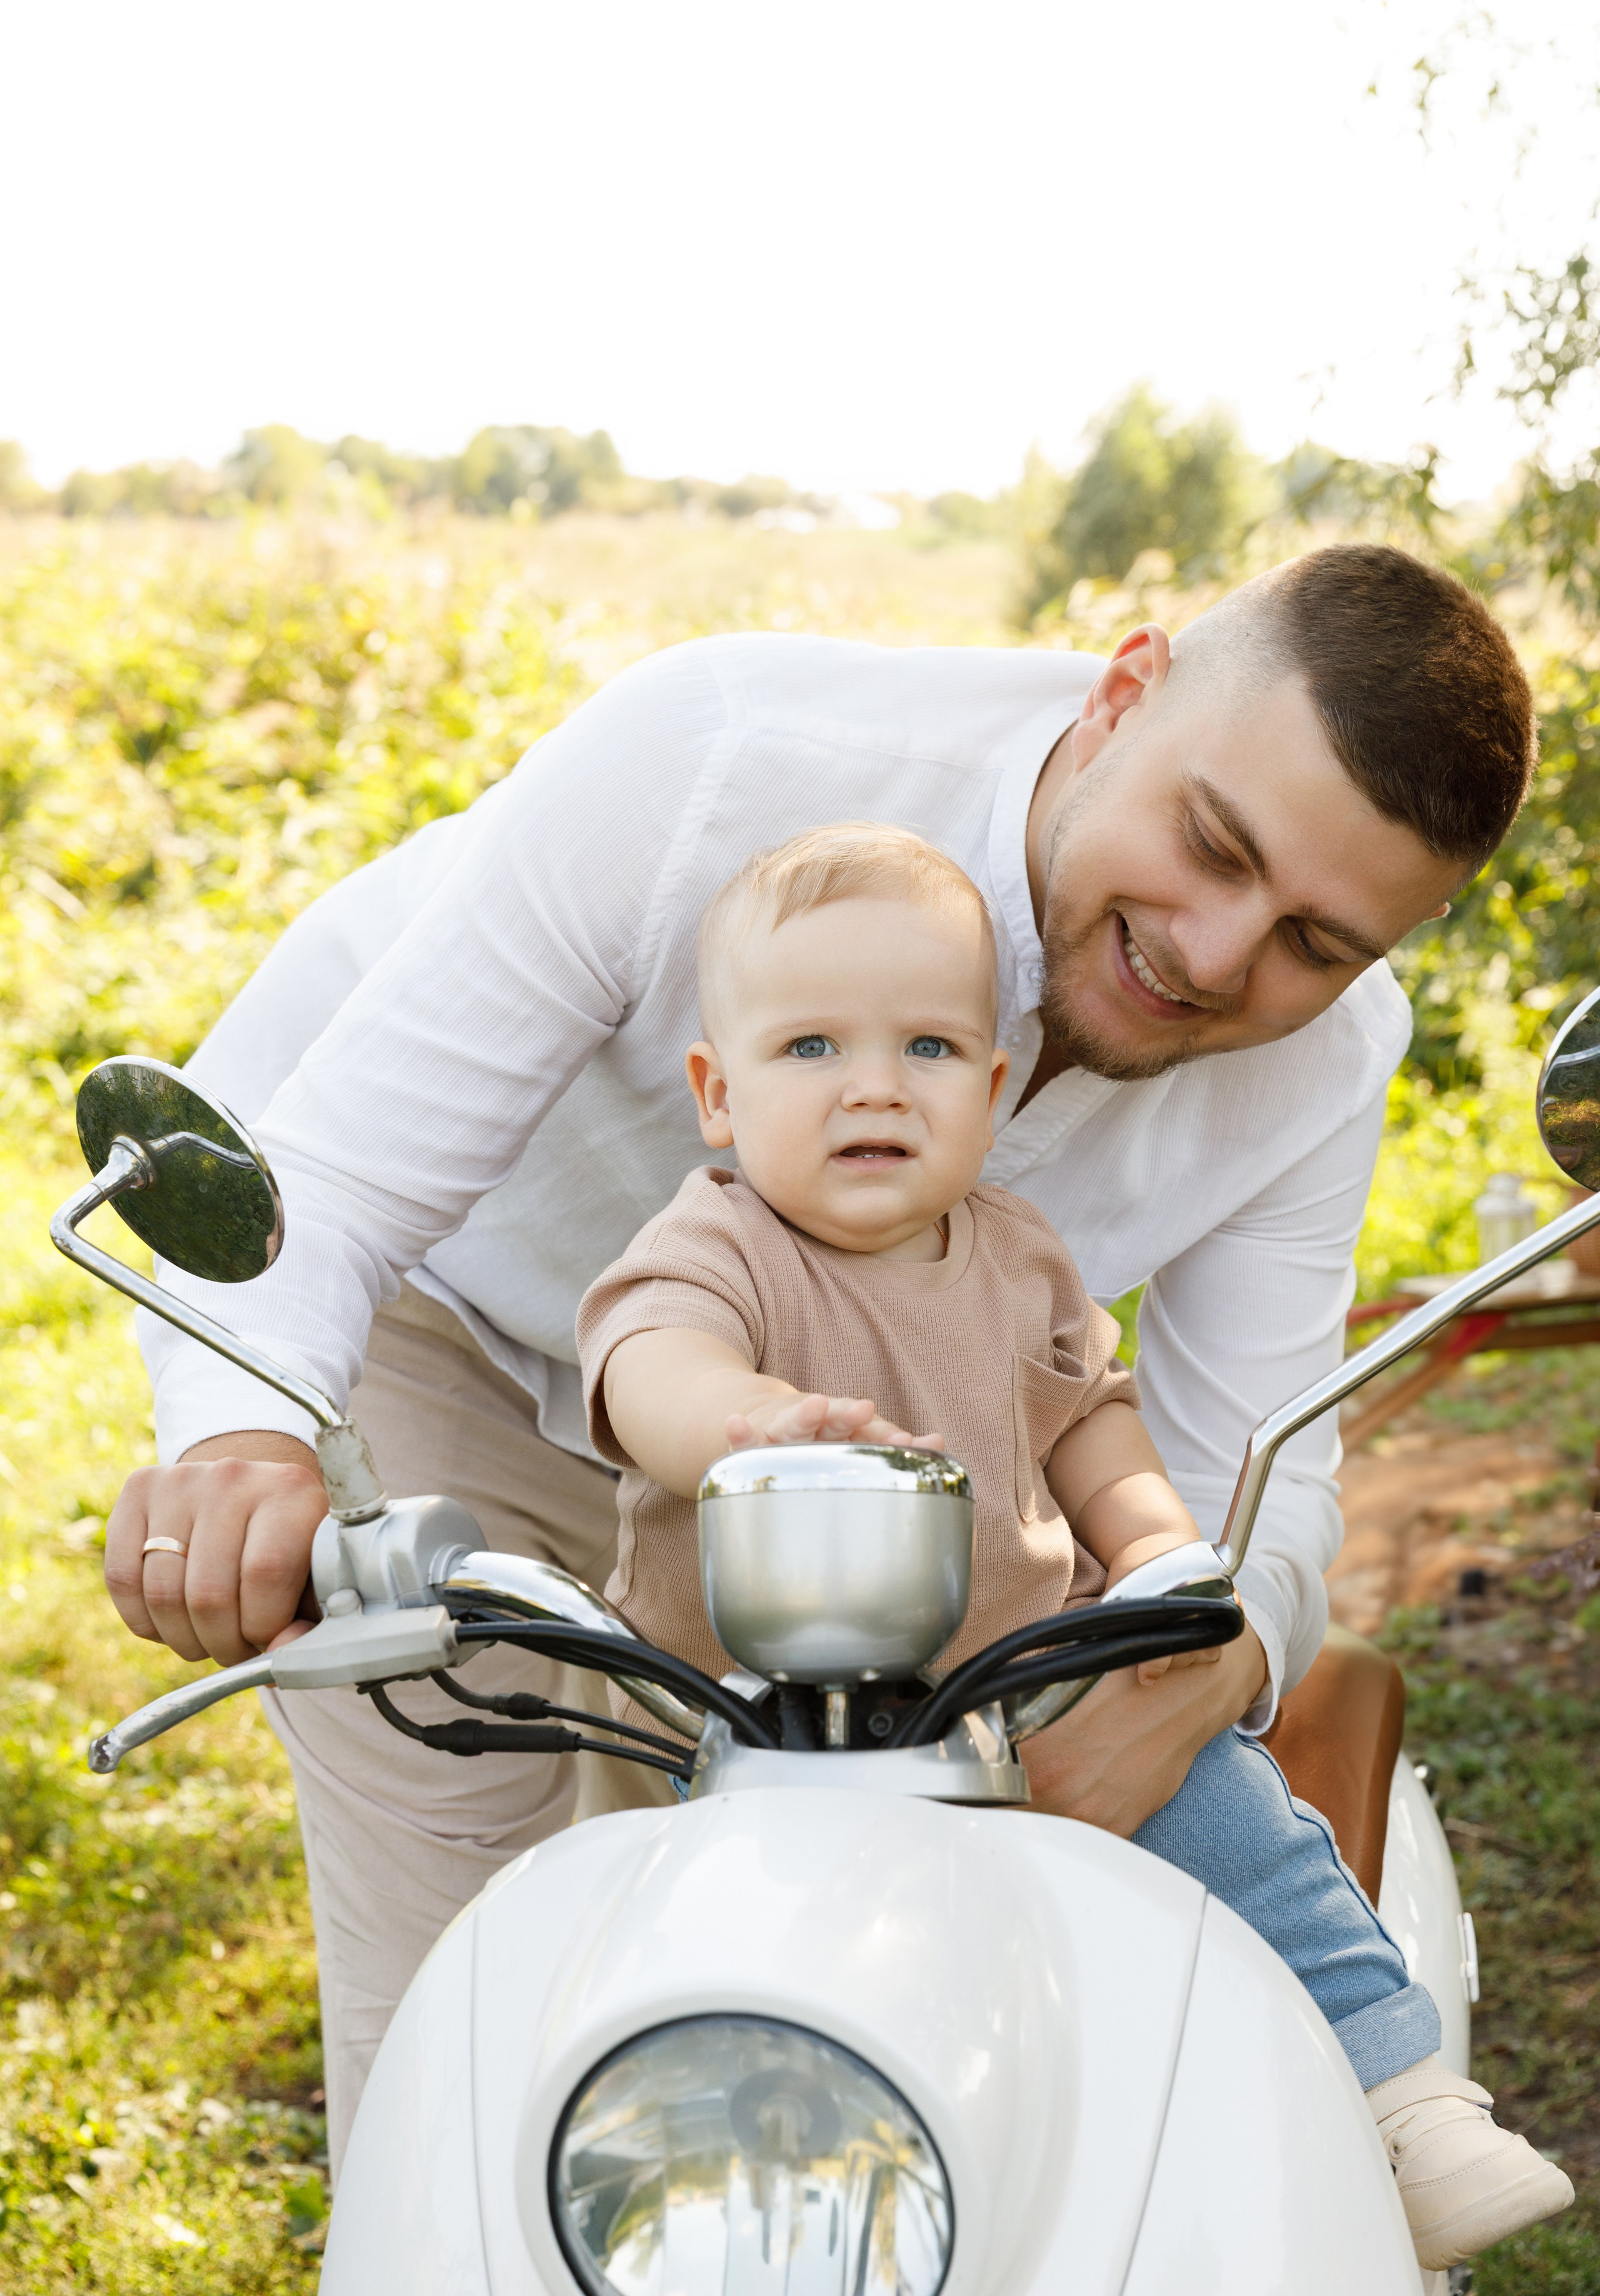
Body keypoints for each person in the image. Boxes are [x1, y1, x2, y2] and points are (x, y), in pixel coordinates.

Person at [106, 542, 1536, 2170]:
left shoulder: (1330, 1060)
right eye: (1212, 844)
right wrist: (244, 1442)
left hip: (836, 1495)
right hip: (432, 1323)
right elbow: (338, 1186)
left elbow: (1253, 1480)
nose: (1216, 955)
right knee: (481, 2007)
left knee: (782, 1986)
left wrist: (1210, 1658)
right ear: (1124, 692)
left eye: (1315, 943)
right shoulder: (716, 752)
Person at [576, 820, 1570, 2273]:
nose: (872, 1086)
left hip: (1025, 1686)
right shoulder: (719, 1245)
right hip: (758, 1729)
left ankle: (1397, 2096)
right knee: (676, 1968)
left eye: (926, 1049)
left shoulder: (1019, 1256)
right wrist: (749, 1428)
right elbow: (643, 1365)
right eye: (810, 1049)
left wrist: (1161, 1553)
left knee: (1233, 1823)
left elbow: (1090, 1421)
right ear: (718, 1096)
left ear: (989, 1091)